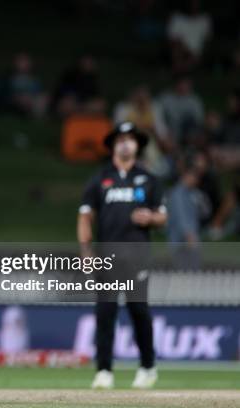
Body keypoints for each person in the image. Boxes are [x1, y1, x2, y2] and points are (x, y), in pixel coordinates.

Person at [77, 122, 167, 390]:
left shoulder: (149, 180)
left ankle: (148, 367)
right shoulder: (100, 179)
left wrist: (151, 217)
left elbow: (163, 216)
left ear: (138, 146)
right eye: (121, 139)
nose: (126, 143)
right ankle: (104, 371)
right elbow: (85, 216)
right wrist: (85, 250)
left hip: (137, 255)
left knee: (139, 311)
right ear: (113, 145)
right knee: (105, 312)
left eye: (131, 139)